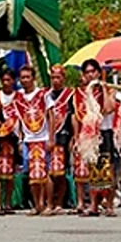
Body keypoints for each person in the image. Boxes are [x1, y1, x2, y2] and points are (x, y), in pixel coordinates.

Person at [73, 59, 116, 216]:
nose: (91, 75)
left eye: (93, 71)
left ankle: (109, 205)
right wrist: (77, 137)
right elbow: (77, 116)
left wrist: (103, 88)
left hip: (105, 131)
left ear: (98, 72)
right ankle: (93, 205)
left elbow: (108, 108)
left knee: (107, 169)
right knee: (93, 169)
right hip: (90, 134)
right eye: (87, 72)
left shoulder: (109, 89)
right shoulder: (82, 94)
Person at [16, 65, 51, 215]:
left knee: (45, 173)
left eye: (27, 77)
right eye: (22, 77)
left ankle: (48, 204)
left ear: (33, 78)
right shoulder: (18, 97)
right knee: (32, 174)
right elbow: (17, 119)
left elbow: (51, 115)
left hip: (43, 138)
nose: (24, 80)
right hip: (28, 139)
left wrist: (51, 137)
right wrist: (20, 140)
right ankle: (37, 204)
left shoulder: (43, 94)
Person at [45, 65, 74, 214]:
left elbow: (74, 117)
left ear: (63, 78)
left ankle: (59, 202)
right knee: (49, 170)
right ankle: (49, 202)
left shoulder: (70, 95)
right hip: (47, 135)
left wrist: (73, 137)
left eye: (58, 77)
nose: (55, 80)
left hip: (64, 134)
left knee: (60, 172)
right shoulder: (46, 95)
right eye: (53, 77)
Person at [0, 69, 22, 214]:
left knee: (10, 173)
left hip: (14, 138)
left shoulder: (19, 97)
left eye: (9, 80)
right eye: (3, 80)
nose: (6, 83)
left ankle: (9, 202)